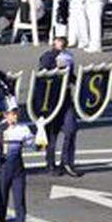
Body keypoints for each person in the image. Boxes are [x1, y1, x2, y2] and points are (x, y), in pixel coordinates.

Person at [0, 96, 38, 222]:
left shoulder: (24, 129)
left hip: (18, 171)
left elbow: (34, 146)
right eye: (12, 113)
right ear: (5, 115)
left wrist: (40, 134)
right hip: (3, 170)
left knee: (20, 201)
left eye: (16, 112)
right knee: (1, 201)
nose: (15, 115)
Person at [37, 36, 80, 177]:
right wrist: (56, 65)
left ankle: (67, 162)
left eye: (63, 40)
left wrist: (79, 82)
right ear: (53, 42)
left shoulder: (69, 56)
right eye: (58, 40)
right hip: (51, 100)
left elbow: (71, 75)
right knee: (52, 134)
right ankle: (50, 164)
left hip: (66, 98)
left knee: (71, 129)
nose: (61, 42)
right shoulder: (47, 57)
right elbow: (43, 74)